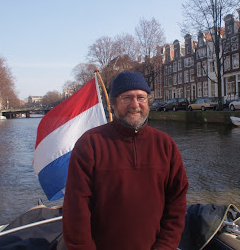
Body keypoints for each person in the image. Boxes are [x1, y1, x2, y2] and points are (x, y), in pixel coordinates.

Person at [63, 71, 189, 250]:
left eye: (141, 98)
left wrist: (165, 246)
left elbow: (176, 203)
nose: (135, 105)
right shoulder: (90, 144)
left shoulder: (165, 145)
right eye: (127, 98)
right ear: (113, 104)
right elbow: (76, 210)